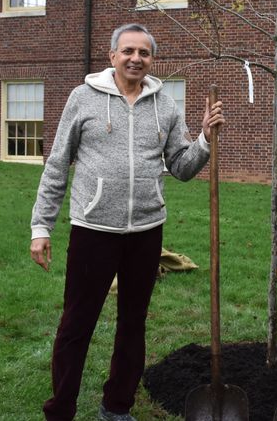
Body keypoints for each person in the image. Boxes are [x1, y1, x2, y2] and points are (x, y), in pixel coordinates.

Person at [29, 23, 225, 421]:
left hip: (146, 232)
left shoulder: (165, 105)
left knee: (133, 324)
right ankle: (60, 409)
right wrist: (41, 227)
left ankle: (116, 406)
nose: (136, 58)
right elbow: (56, 165)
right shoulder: (82, 99)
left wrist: (203, 140)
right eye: (128, 51)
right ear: (112, 56)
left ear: (152, 59)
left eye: (144, 53)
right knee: (76, 325)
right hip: (93, 230)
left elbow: (182, 168)